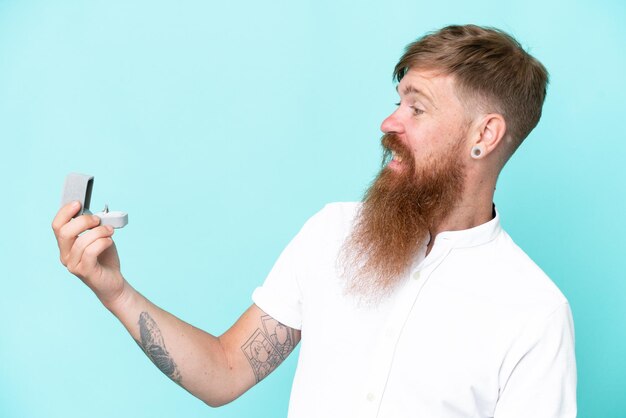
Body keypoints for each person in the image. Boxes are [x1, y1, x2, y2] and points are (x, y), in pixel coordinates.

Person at [52, 24, 576, 418]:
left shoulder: (534, 313)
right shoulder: (332, 233)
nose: (389, 122)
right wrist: (114, 290)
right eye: (398, 101)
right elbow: (226, 371)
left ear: (483, 135)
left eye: (417, 109)